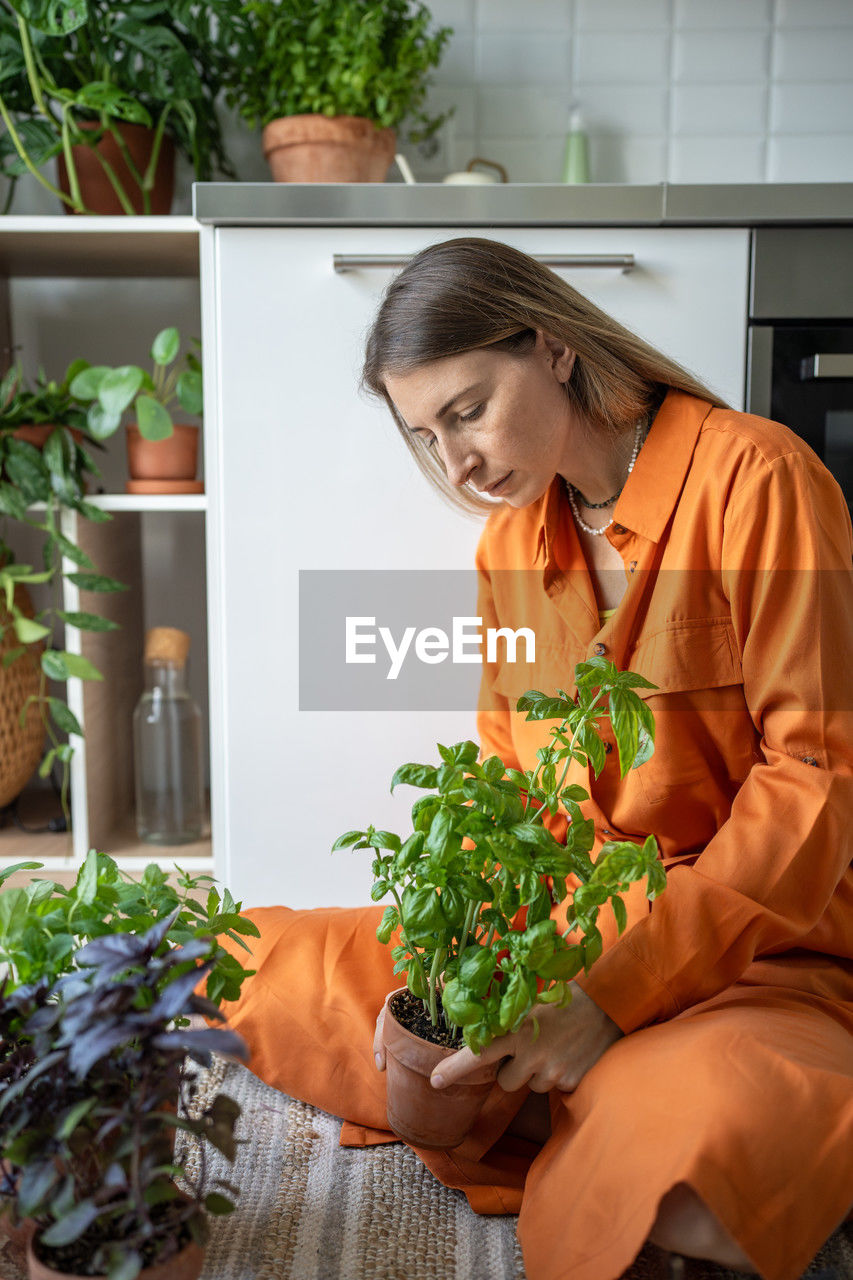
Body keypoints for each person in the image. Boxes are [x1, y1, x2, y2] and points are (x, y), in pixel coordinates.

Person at [217, 239, 853, 1280]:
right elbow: (506, 778)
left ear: (552, 347)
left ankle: (600, 1100)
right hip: (550, 941)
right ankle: (557, 1091)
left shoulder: (759, 478)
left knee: (691, 1191)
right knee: (253, 962)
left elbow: (815, 781)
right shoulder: (509, 546)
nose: (455, 464)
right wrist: (484, 962)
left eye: (466, 410)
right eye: (426, 434)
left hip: (760, 964)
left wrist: (612, 992)